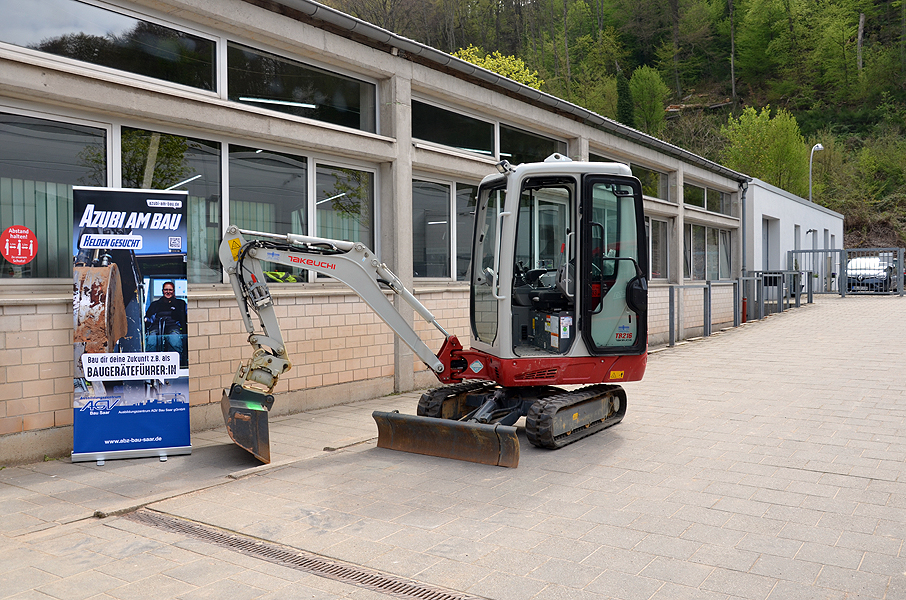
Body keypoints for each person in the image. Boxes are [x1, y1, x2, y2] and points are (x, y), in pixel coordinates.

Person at [145, 281, 187, 367]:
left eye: (170, 290)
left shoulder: (180, 304)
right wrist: (146, 320)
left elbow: (186, 316)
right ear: (162, 291)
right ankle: (151, 365)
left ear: (173, 291)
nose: (168, 292)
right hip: (156, 327)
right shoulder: (155, 304)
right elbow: (148, 318)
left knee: (174, 340)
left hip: (174, 327)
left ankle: (176, 364)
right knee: (152, 340)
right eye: (166, 290)